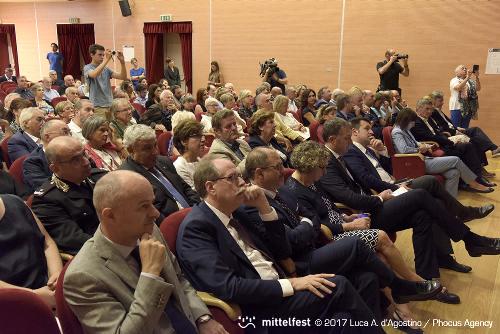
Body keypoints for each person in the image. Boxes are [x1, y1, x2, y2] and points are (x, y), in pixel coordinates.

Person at [176, 156, 440, 332]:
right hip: (259, 308)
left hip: (282, 283)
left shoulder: (239, 211)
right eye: (233, 178)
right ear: (211, 187)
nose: (242, 182)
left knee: (364, 282)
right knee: (339, 285)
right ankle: (399, 291)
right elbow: (228, 287)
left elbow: (281, 250)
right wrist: (292, 283)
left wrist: (265, 208)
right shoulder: (197, 227)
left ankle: (398, 292)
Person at [249, 146, 444, 326]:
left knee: (370, 273)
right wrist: (313, 224)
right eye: (277, 167)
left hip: (318, 241)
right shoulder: (263, 201)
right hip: (309, 255)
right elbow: (294, 239)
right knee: (364, 242)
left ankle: (387, 311)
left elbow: (312, 218)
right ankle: (405, 285)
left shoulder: (279, 192)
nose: (284, 170)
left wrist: (313, 222)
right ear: (259, 174)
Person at [318, 118, 500, 279]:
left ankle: (428, 276)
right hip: (364, 216)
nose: (350, 142)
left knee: (426, 211)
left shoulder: (341, 156)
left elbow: (371, 178)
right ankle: (470, 238)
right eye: (346, 138)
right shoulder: (327, 162)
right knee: (422, 194)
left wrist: (386, 181)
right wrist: (381, 198)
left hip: (376, 202)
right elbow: (350, 198)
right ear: (333, 140)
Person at [63, 170, 226, 334]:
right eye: (143, 206)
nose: (155, 213)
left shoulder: (150, 230)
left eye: (152, 203)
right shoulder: (82, 277)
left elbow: (178, 279)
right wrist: (150, 275)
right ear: (110, 215)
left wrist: (202, 318)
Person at [31, 136, 106, 255]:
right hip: (99, 254)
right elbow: (76, 241)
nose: (86, 162)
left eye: (84, 154)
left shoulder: (99, 176)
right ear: (55, 168)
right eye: (75, 160)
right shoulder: (46, 201)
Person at [392, 107, 492, 195]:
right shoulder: (397, 132)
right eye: (412, 121)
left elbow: (415, 142)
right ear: (406, 120)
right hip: (416, 161)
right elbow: (404, 150)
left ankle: (450, 203)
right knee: (456, 160)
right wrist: (419, 149)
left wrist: (424, 145)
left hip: (422, 158)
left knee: (454, 173)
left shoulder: (405, 129)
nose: (413, 123)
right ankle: (474, 184)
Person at [119, 124, 200, 221]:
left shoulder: (163, 161)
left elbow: (186, 188)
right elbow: (150, 216)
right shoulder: (128, 178)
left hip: (193, 216)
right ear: (131, 150)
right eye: (147, 148)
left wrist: (196, 210)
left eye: (155, 145)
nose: (155, 152)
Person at [411, 97, 494, 187]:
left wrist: (449, 138)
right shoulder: (416, 122)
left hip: (442, 143)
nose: (430, 111)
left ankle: (477, 177)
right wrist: (450, 141)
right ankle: (475, 179)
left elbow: (438, 132)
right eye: (427, 109)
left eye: (430, 109)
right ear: (418, 108)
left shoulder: (428, 119)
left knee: (470, 143)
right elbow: (430, 137)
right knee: (467, 146)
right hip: (436, 147)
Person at [0, 194, 63, 310]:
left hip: (50, 288)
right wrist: (34, 295)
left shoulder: (15, 201)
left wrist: (57, 274)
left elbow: (47, 243)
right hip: (11, 304)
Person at [430, 90, 500, 161]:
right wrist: (456, 131)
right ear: (433, 101)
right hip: (450, 134)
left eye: (442, 100)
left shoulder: (438, 111)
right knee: (475, 139)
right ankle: (492, 151)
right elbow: (442, 128)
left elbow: (448, 123)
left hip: (455, 130)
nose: (442, 103)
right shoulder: (433, 112)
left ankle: (493, 149)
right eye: (440, 101)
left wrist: (457, 128)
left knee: (475, 130)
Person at [23, 120, 71, 192]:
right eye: (65, 132)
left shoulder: (75, 152)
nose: (70, 136)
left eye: (70, 132)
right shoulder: (32, 162)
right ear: (47, 137)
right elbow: (46, 189)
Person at [83, 44, 127, 121]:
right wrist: (107, 60)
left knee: (111, 129)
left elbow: (123, 77)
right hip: (97, 106)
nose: (102, 57)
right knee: (102, 129)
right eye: (100, 55)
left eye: (103, 55)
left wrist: (122, 62)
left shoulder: (106, 69)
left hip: (110, 104)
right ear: (91, 55)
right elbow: (94, 74)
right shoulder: (87, 67)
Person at [208, 109, 252, 174]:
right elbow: (233, 175)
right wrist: (252, 156)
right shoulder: (216, 152)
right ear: (217, 131)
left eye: (234, 124)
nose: (234, 128)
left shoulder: (242, 143)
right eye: (228, 126)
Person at [173, 120, 204, 190]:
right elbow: (196, 196)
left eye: (202, 135)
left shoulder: (199, 160)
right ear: (184, 141)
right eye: (197, 136)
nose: (203, 139)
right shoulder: (179, 167)